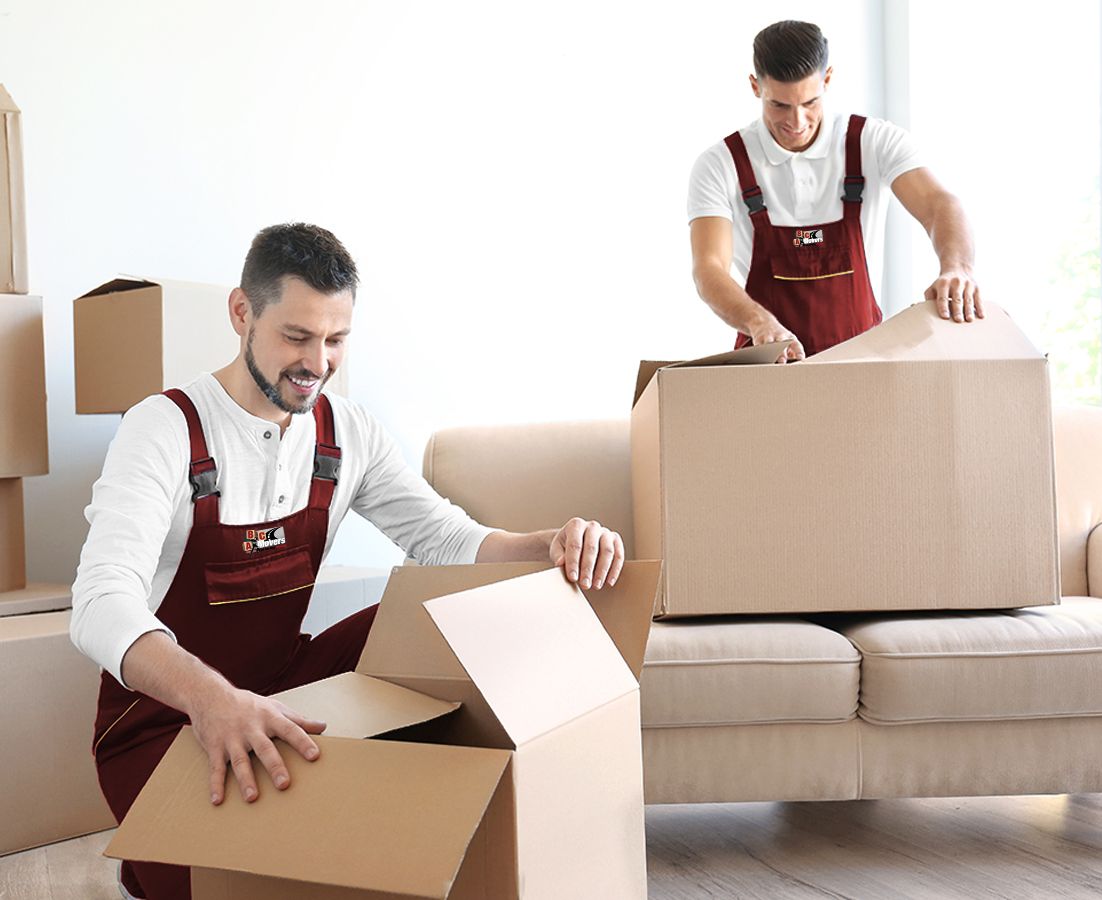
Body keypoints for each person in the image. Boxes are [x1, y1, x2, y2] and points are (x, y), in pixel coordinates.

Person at [70, 223, 625, 900]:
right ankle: (152, 858)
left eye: (336, 340)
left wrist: (549, 546)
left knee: (431, 611)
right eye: (297, 337)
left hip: (284, 694)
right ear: (241, 312)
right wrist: (213, 700)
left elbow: (446, 540)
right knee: (248, 881)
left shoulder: (347, 432)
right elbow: (100, 604)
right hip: (166, 721)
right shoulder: (164, 429)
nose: (317, 363)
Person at [688, 19, 983, 361]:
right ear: (756, 87)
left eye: (810, 102)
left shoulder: (873, 141)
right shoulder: (720, 164)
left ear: (827, 80)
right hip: (767, 366)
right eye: (779, 105)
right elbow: (708, 268)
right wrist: (758, 322)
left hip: (862, 366)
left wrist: (957, 267)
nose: (796, 122)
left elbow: (939, 204)